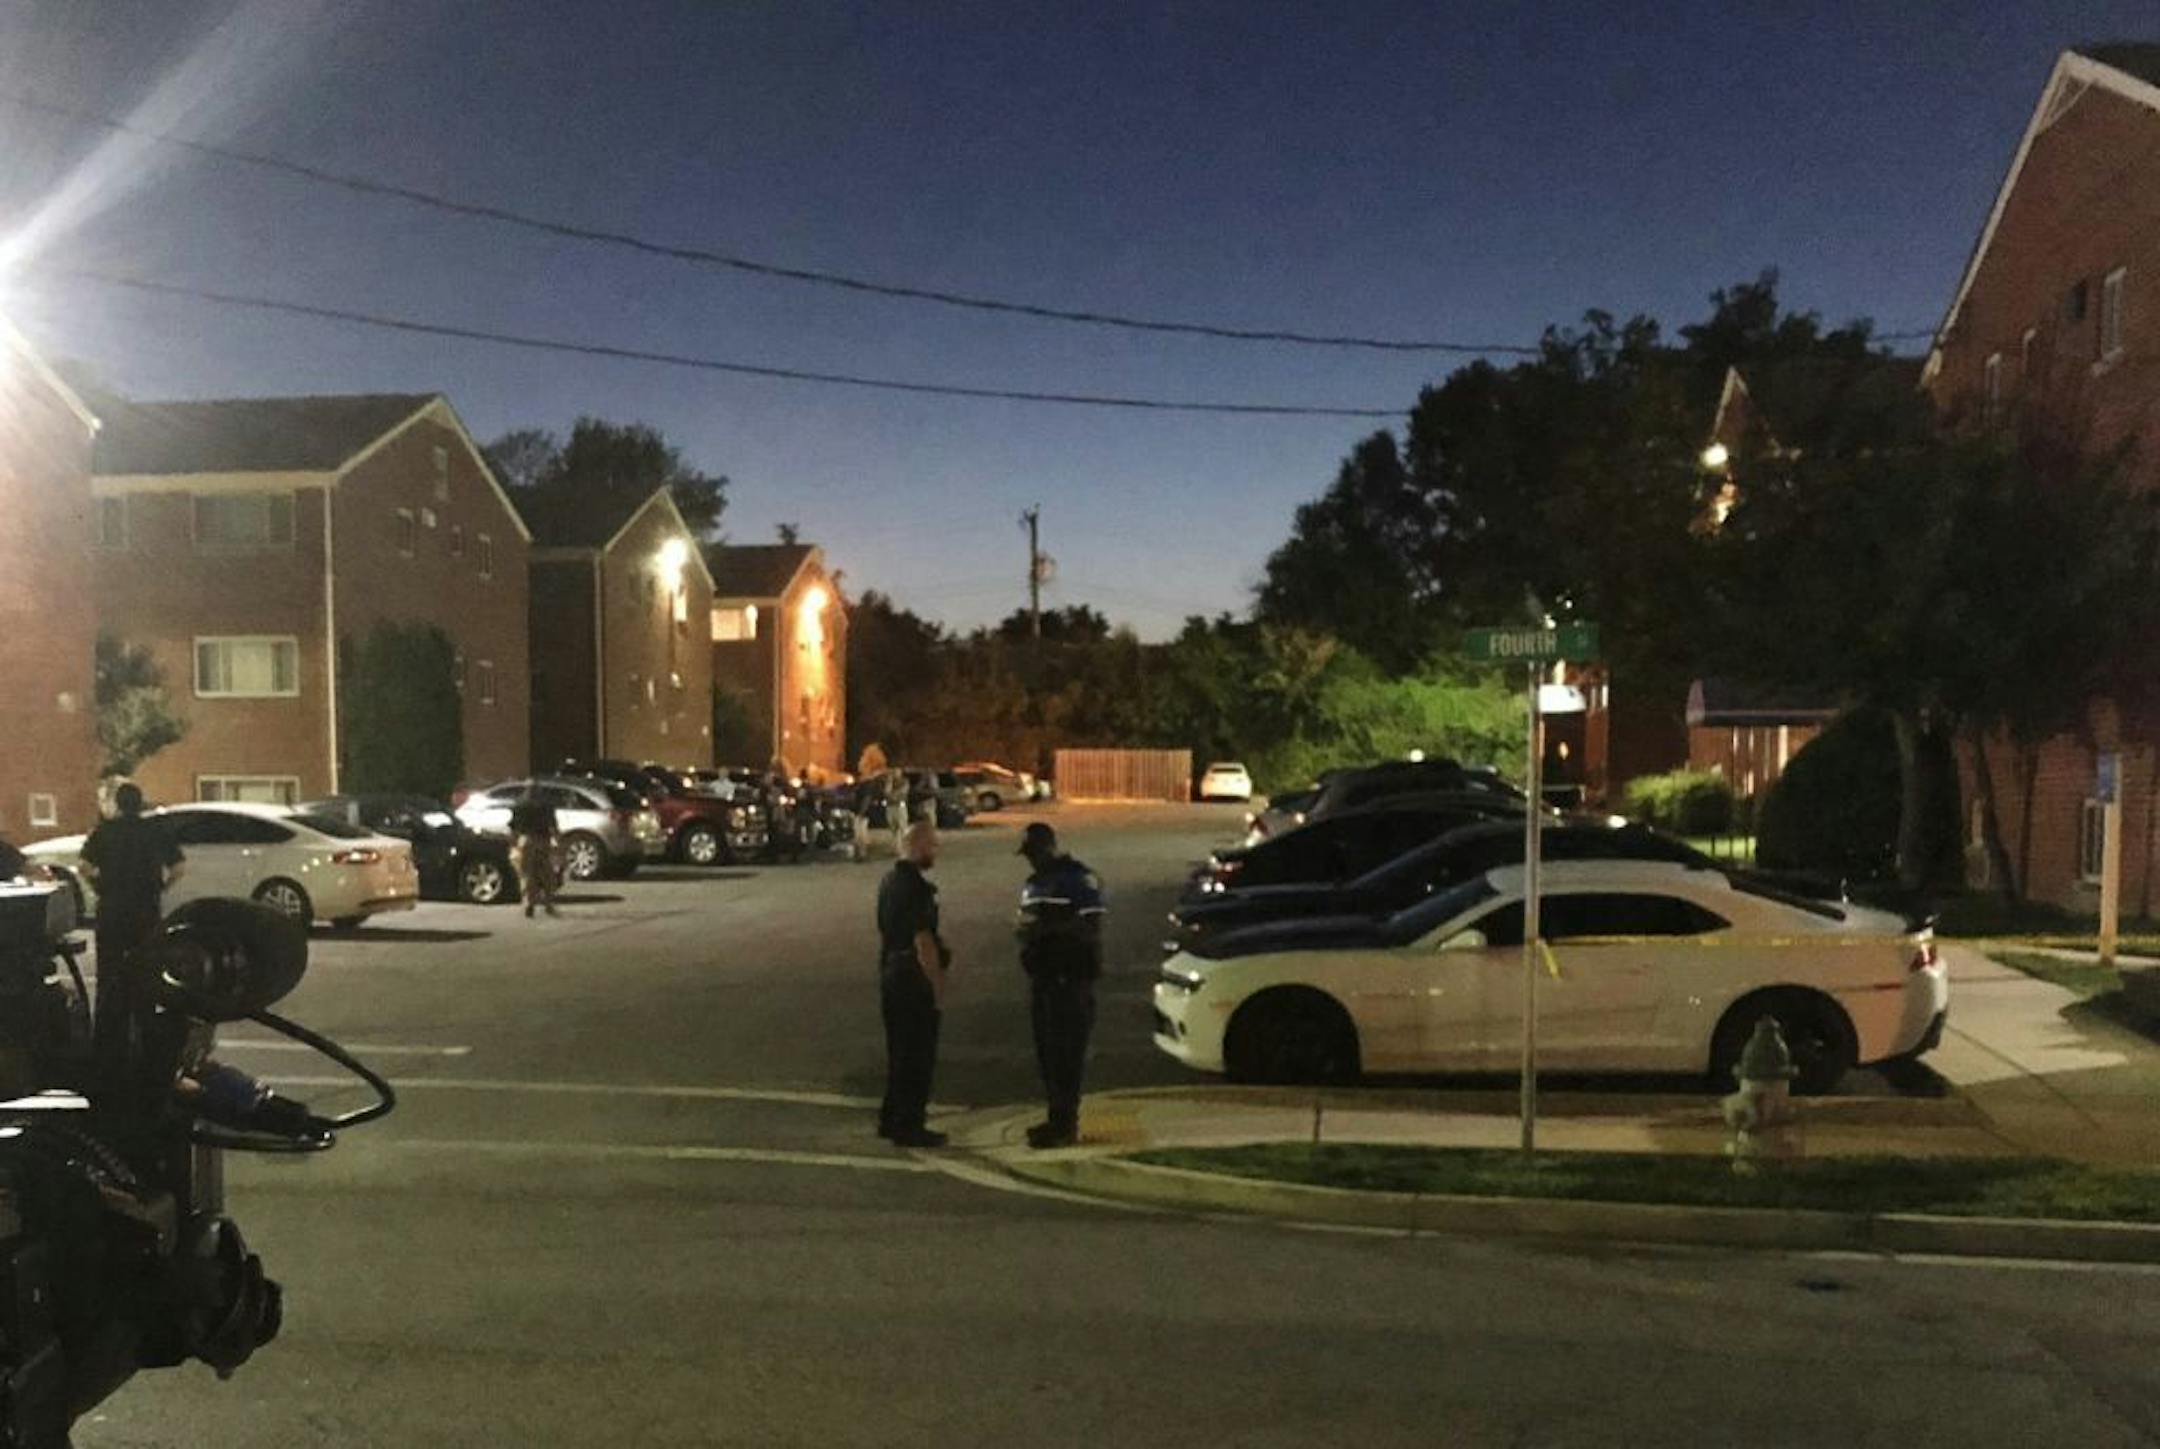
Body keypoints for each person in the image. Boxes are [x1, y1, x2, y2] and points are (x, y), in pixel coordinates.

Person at [78, 782, 185, 1065]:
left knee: (110, 972)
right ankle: (145, 1030)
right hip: (145, 910)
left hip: (112, 910)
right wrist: (161, 887)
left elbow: (84, 866)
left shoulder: (105, 831)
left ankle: (106, 1041)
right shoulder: (155, 830)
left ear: (118, 803)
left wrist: (99, 886)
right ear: (140, 803)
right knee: (147, 969)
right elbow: (178, 867)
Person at [1014, 821, 1105, 1149]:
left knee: (1066, 1056)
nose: (1031, 860)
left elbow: (1089, 926)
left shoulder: (1077, 879)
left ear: (1048, 847)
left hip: (1070, 979)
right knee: (1048, 1056)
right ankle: (1056, 1119)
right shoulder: (1036, 883)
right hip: (1044, 979)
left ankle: (1065, 1124)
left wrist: (1047, 930)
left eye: (1034, 853)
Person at [875, 819, 950, 1148]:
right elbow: (924, 942)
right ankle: (910, 1124)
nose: (936, 851)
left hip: (891, 973)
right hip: (911, 977)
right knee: (917, 1055)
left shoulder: (889, 882)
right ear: (917, 846)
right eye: (932, 845)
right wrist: (937, 988)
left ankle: (891, 1118)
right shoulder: (917, 889)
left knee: (898, 1051)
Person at [507, 784, 560, 918]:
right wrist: (558, 842)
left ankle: (529, 904)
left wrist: (513, 843)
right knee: (546, 874)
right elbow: (553, 825)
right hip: (543, 841)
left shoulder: (519, 805)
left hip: (525, 841)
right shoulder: (546, 806)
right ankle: (548, 903)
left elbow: (514, 827)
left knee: (527, 874)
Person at [882, 768, 911, 857]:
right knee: (893, 829)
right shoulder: (889, 782)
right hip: (890, 807)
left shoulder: (904, 781)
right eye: (893, 772)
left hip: (900, 807)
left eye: (896, 771)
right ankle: (896, 849)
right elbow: (886, 792)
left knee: (903, 828)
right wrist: (889, 781)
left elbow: (902, 792)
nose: (894, 773)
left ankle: (905, 850)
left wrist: (892, 795)